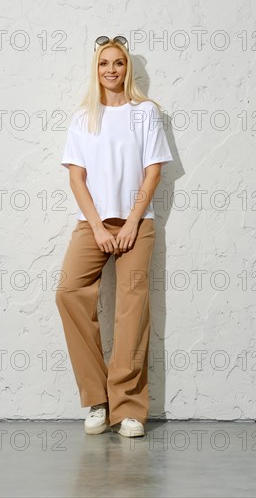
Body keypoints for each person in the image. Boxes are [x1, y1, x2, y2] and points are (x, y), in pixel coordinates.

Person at [55, 35, 173, 438]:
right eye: (104, 63)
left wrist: (133, 222)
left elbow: (153, 171)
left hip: (137, 222)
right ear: (96, 69)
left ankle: (128, 408)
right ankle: (96, 399)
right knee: (69, 291)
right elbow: (77, 177)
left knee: (132, 308)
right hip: (93, 223)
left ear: (128, 69)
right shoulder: (83, 117)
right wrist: (98, 227)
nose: (111, 70)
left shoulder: (146, 113)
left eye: (118, 63)